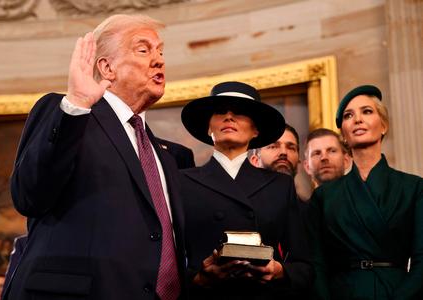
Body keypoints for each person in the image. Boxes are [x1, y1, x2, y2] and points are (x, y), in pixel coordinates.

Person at [6, 14, 186, 300]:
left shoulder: (164, 155)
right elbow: (29, 195)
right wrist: (76, 105)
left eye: (160, 51)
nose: (159, 60)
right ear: (106, 67)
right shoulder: (68, 114)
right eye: (143, 49)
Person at [180, 81, 313, 299]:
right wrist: (198, 278)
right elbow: (165, 261)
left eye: (240, 112)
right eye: (220, 111)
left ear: (256, 130)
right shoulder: (181, 181)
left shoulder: (280, 185)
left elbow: (304, 266)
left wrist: (278, 271)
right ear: (208, 127)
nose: (229, 116)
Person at [308, 85, 423, 300]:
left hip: (398, 293)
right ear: (343, 134)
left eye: (367, 111)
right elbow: (317, 264)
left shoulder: (414, 188)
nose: (357, 119)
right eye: (348, 115)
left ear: (384, 126)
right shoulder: (324, 197)